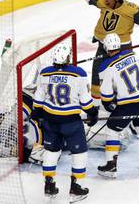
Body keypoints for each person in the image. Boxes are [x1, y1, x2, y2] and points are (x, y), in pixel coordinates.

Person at [31, 43, 98, 202]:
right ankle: (76, 188)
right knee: (79, 153)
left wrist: (38, 114)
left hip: (50, 120)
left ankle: (49, 185)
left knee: (51, 152)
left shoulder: (45, 73)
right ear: (68, 58)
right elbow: (85, 101)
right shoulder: (78, 73)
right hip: (71, 123)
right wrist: (92, 113)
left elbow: (38, 99)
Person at [97, 33, 139, 178]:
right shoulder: (133, 55)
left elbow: (106, 96)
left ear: (106, 48)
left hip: (127, 105)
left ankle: (110, 165)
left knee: (112, 130)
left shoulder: (105, 67)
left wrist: (110, 103)